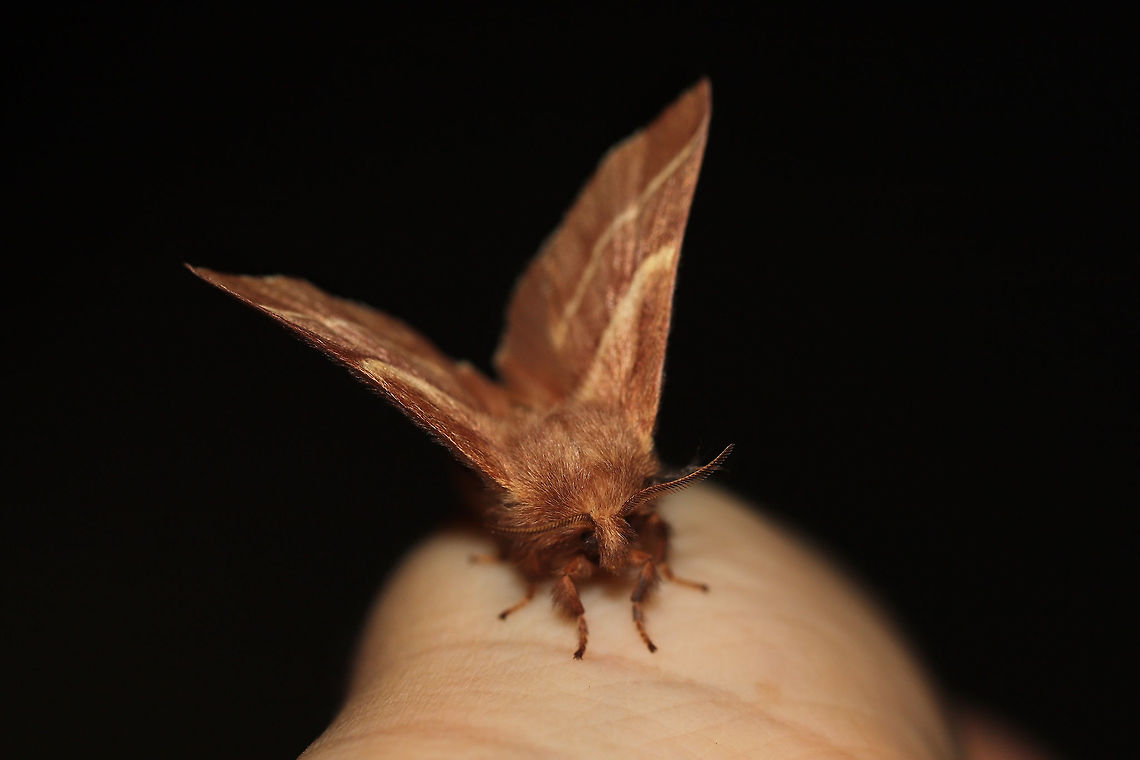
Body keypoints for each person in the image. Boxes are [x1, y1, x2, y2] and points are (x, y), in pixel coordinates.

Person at [299, 487, 1050, 759]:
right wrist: (554, 610)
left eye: (632, 530)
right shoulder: (563, 551)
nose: (620, 551)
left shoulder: (641, 532)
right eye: (603, 541)